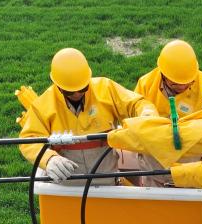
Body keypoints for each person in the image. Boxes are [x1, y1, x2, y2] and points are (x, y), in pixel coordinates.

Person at [17, 48, 157, 185]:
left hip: (107, 183)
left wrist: (146, 114)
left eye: (82, 88)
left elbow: (136, 103)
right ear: (58, 85)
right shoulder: (43, 105)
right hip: (66, 188)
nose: (77, 94)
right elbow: (29, 140)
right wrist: (48, 159)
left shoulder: (106, 89)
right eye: (70, 92)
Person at [134, 40, 202, 118]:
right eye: (175, 83)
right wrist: (141, 112)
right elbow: (131, 109)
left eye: (189, 82)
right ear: (163, 74)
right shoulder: (145, 85)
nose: (182, 87)